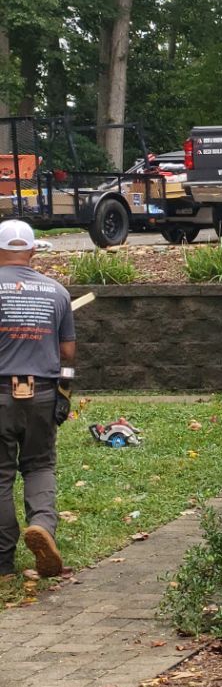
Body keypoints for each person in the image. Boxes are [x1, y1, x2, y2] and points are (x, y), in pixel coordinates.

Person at [0, 219, 76, 579]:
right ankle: (43, 526)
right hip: (44, 393)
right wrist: (65, 393)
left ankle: (2, 561)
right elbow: (68, 353)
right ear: (32, 251)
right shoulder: (57, 292)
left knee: (0, 475)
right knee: (39, 465)